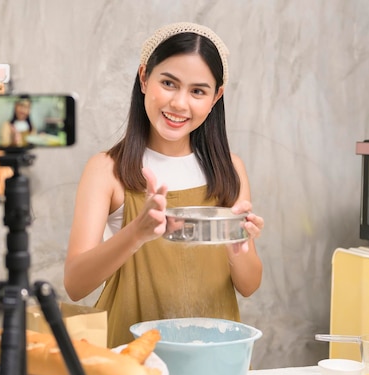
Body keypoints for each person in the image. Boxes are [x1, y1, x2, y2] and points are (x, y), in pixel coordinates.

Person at [63, 22, 265, 348]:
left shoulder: (230, 169)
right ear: (144, 78)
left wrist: (236, 247)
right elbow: (75, 283)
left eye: (198, 91)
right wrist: (137, 232)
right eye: (169, 83)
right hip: (128, 359)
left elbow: (249, 284)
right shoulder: (106, 170)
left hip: (212, 358)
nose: (179, 104)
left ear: (216, 97)